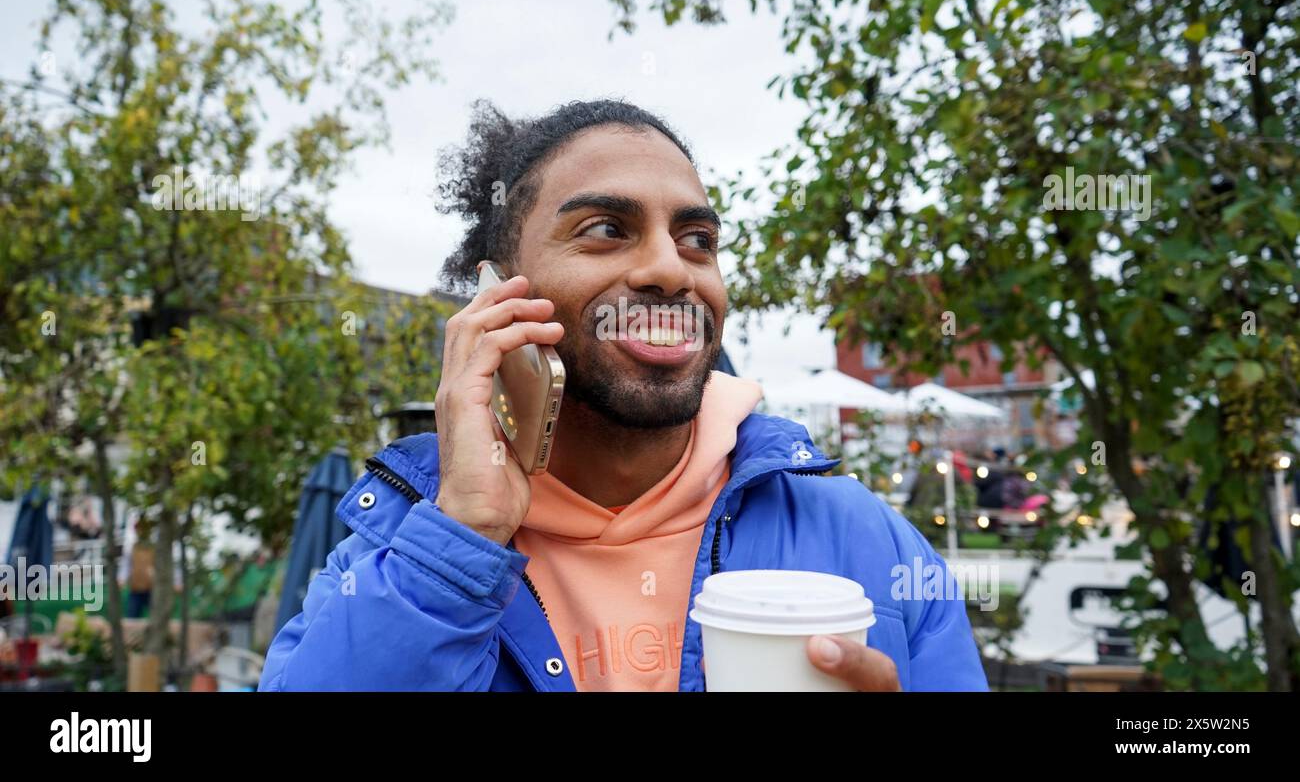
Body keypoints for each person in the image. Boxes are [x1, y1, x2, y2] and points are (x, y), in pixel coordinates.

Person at [259, 99, 988, 692]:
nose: (671, 269)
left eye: (697, 238)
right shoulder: (395, 556)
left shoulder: (868, 539)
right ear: (497, 292)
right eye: (608, 229)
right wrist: (460, 544)